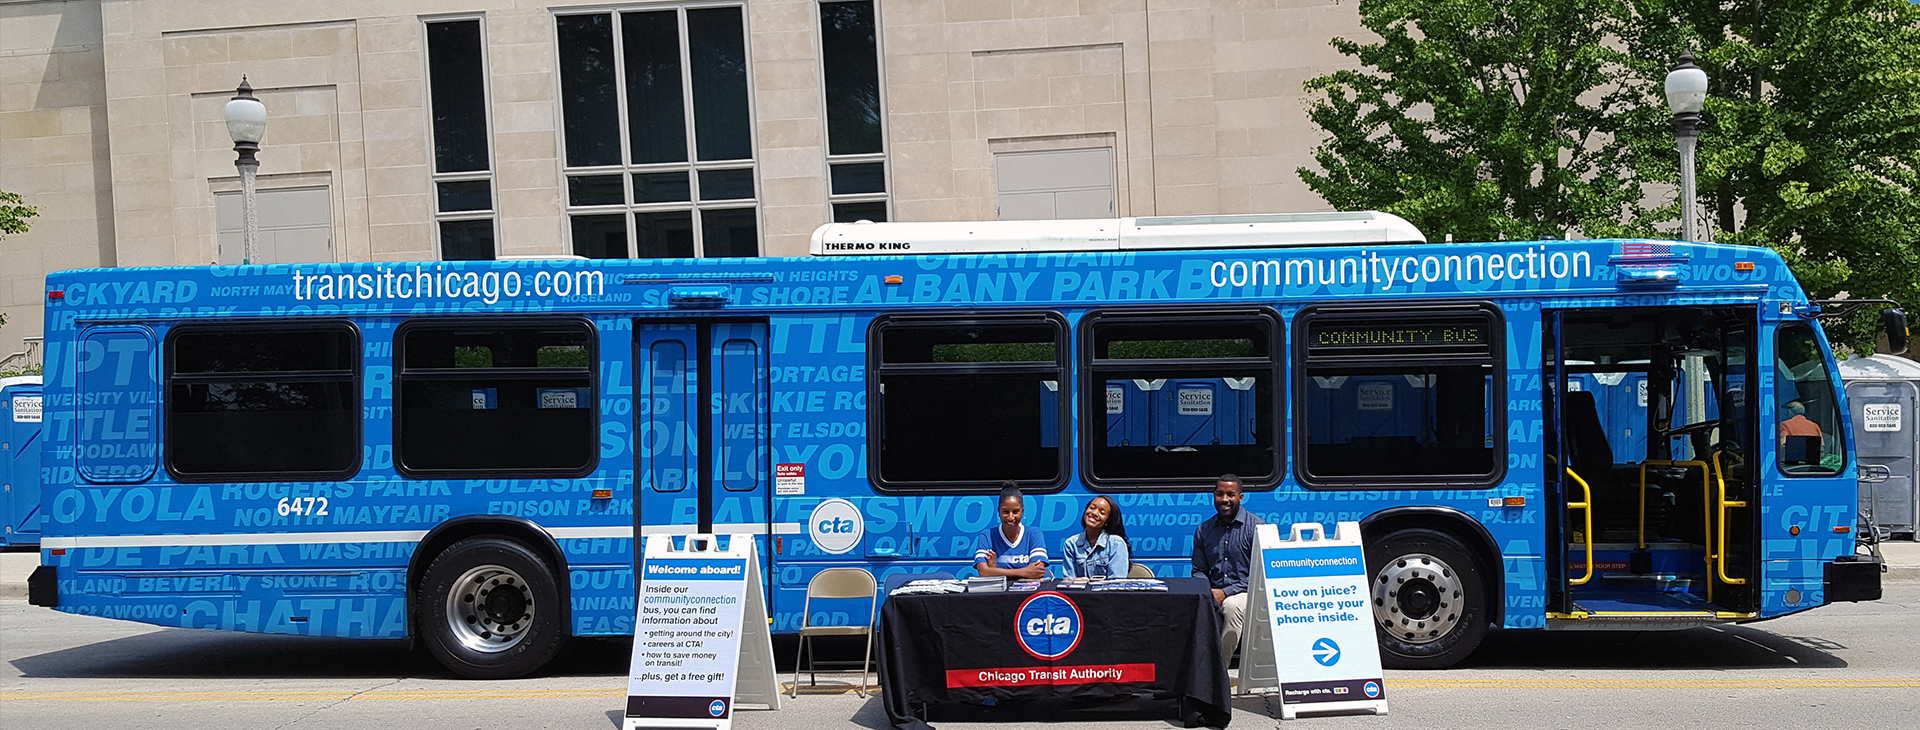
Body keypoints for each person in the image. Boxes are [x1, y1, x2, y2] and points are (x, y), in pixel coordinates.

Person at [1192, 474, 1262, 659]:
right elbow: (1198, 570)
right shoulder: (1203, 530)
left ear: (1240, 497)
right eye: (1219, 494)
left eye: (1230, 495)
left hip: (1248, 593)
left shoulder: (1257, 528)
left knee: (1232, 606)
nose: (1224, 500)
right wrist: (1206, 590)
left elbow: (1261, 575)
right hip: (1213, 591)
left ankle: (1218, 671)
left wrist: (1226, 592)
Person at [973, 482, 1048, 579]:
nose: (1011, 517)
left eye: (1015, 512)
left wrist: (995, 570)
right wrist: (1024, 572)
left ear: (1022, 511)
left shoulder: (1034, 534)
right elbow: (983, 572)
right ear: (998, 511)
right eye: (1006, 512)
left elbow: (1037, 572)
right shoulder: (987, 536)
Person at [1060, 496, 1130, 579]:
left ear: (1108, 520)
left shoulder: (1116, 543)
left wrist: (1088, 584)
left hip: (1106, 592)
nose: (1094, 513)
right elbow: (1069, 580)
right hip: (1078, 592)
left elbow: (1117, 581)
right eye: (1092, 508)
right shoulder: (1071, 544)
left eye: (1102, 513)